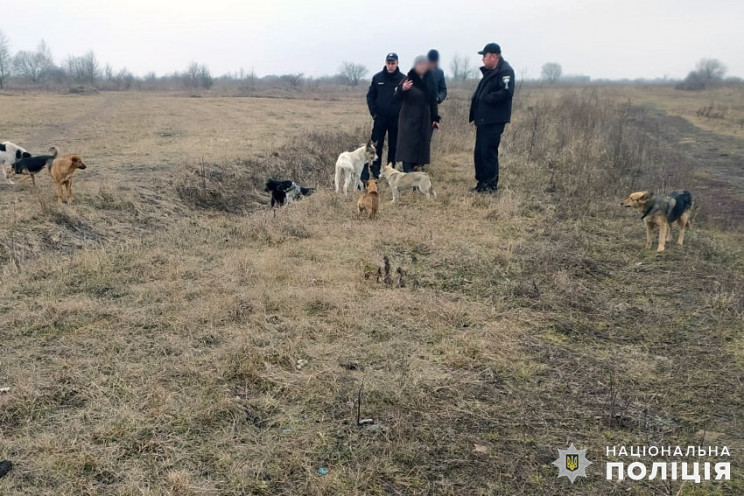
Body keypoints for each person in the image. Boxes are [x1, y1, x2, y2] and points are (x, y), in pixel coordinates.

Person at [469, 42, 515, 193]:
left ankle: (490, 185)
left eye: (485, 56)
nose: (482, 59)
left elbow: (506, 93)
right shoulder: (491, 71)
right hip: (483, 120)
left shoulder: (505, 71)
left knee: (488, 152)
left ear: (494, 56)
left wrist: (486, 98)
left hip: (493, 120)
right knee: (480, 152)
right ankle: (482, 183)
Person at [364, 52, 406, 181]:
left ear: (397, 63)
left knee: (394, 145)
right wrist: (374, 113)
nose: (391, 65)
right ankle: (375, 171)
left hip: (396, 119)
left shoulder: (403, 79)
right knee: (377, 145)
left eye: (393, 63)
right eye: (389, 63)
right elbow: (370, 96)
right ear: (385, 63)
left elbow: (408, 99)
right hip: (380, 118)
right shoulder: (377, 78)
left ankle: (391, 170)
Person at [395, 55, 440, 173]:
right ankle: (407, 174)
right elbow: (396, 96)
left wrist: (435, 118)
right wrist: (402, 89)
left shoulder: (430, 81)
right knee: (407, 147)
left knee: (420, 148)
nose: (422, 67)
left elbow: (433, 101)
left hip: (424, 119)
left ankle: (416, 176)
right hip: (408, 119)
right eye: (419, 64)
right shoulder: (409, 78)